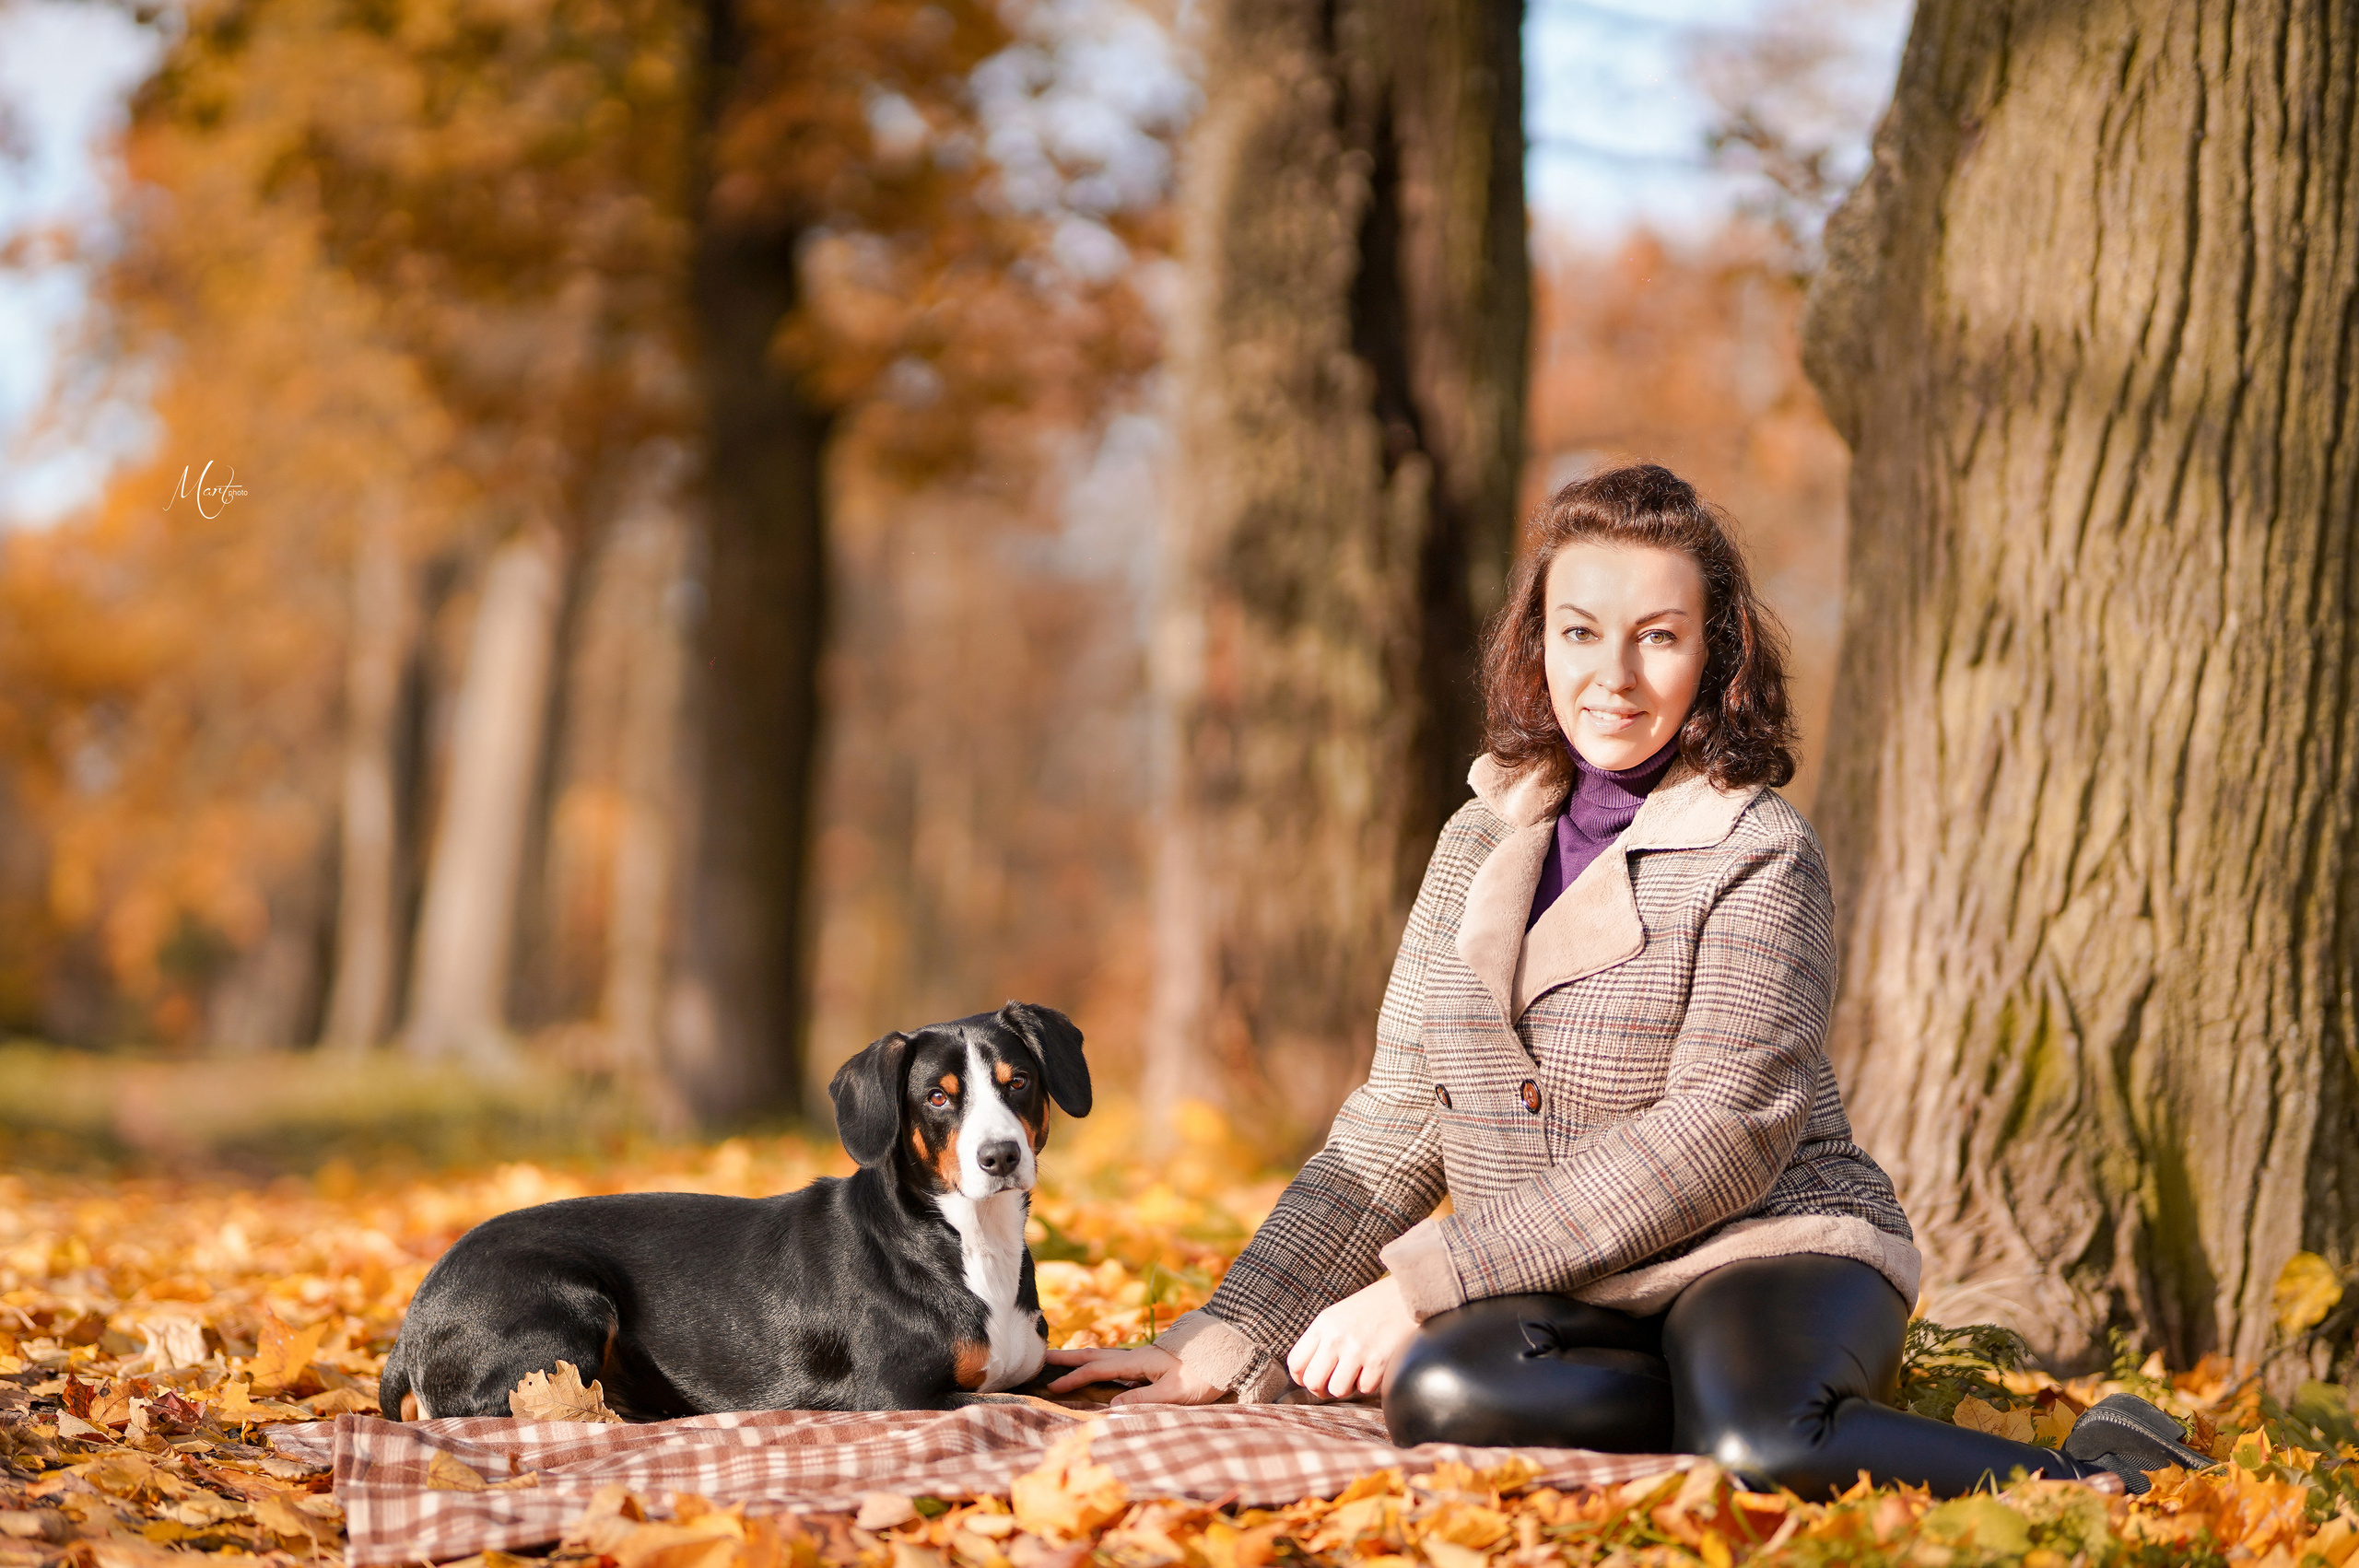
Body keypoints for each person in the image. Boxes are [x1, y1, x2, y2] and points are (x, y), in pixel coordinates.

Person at [1045, 462, 2208, 1498]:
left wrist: (1430, 1279)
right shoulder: (1474, 839)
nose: (1612, 675)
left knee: (1765, 1445)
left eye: (1657, 635)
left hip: (1764, 1246)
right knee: (1439, 1393)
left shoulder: (1759, 847)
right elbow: (1396, 1116)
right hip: (1568, 1279)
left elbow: (1719, 1133)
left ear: (1714, 655)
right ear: (1535, 642)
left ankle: (2106, 1472)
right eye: (1578, 632)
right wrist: (1231, 1329)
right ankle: (1701, 1401)